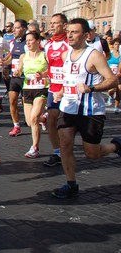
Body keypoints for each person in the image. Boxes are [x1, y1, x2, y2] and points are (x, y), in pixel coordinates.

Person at [50, 18, 121, 199]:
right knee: (65, 145)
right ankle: (71, 184)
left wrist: (92, 88)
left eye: (74, 32)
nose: (70, 35)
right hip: (68, 108)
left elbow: (112, 80)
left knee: (92, 153)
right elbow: (69, 80)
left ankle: (115, 146)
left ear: (85, 35)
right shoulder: (65, 55)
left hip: (91, 111)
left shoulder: (94, 55)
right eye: (69, 32)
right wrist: (61, 92)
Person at [14, 30, 49, 158]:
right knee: (30, 122)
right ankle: (44, 119)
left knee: (34, 118)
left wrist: (43, 74)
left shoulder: (44, 55)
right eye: (26, 41)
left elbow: (51, 70)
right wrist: (16, 73)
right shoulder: (24, 56)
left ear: (38, 41)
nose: (28, 43)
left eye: (30, 40)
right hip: (27, 88)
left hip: (41, 88)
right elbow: (19, 70)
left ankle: (35, 147)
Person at [43, 13, 69, 167]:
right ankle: (57, 153)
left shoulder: (69, 44)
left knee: (67, 124)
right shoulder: (48, 46)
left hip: (69, 91)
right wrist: (43, 74)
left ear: (64, 25)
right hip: (53, 89)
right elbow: (50, 67)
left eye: (55, 23)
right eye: (51, 23)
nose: (52, 26)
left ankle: (67, 148)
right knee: (52, 119)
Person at [3, 19, 28, 136]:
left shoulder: (28, 42)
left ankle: (39, 119)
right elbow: (10, 57)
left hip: (26, 77)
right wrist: (3, 63)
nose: (14, 30)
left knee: (26, 104)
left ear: (24, 29)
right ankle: (16, 125)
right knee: (12, 100)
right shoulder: (13, 42)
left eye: (17, 28)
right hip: (14, 76)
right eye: (14, 28)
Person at [106, 38, 121, 112]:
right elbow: (106, 64)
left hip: (118, 75)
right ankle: (110, 96)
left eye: (118, 44)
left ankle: (116, 107)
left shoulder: (120, 55)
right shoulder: (110, 54)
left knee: (119, 90)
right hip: (111, 75)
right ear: (113, 45)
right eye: (116, 44)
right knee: (111, 90)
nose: (117, 46)